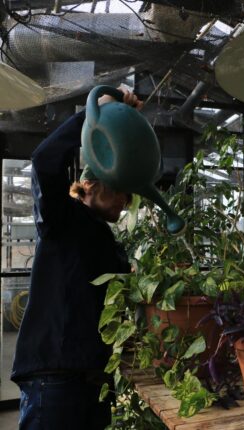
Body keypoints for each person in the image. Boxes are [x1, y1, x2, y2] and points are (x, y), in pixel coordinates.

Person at [11, 89, 141, 429]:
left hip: (93, 380)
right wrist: (95, 114)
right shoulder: (62, 219)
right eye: (119, 190)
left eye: (129, 197)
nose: (124, 202)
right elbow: (44, 159)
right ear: (88, 184)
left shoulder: (104, 237)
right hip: (54, 377)